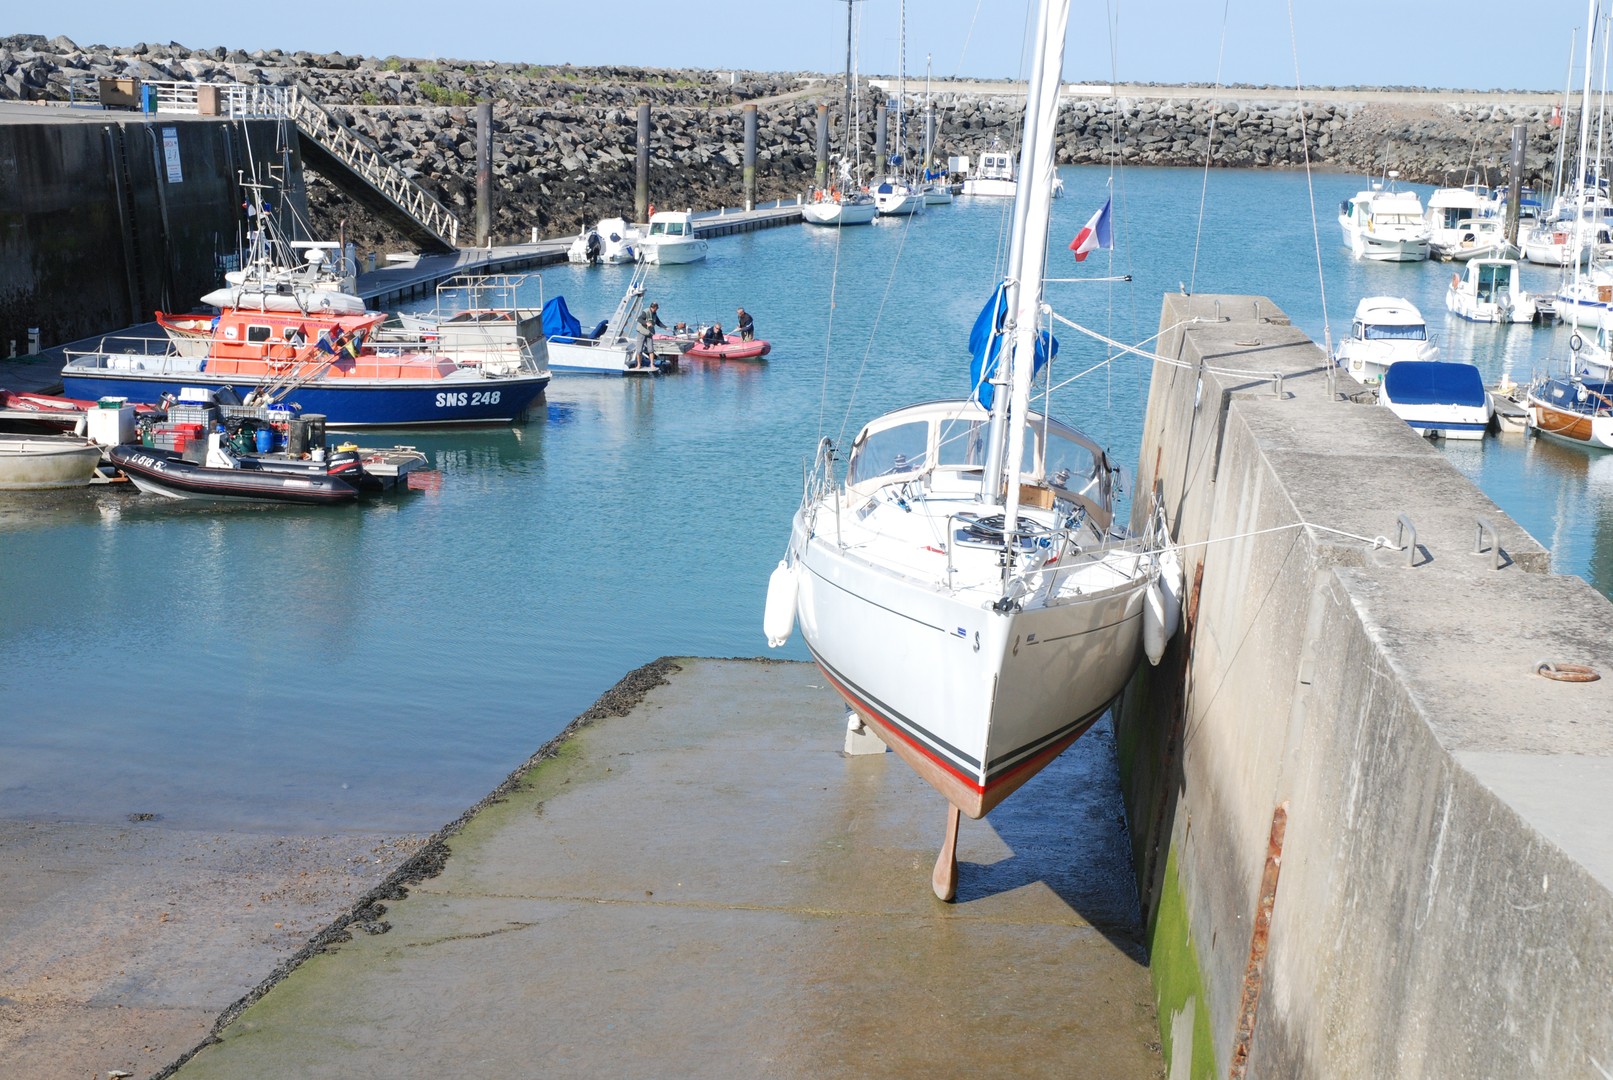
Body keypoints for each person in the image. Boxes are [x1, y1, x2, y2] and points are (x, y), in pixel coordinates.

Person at [635, 302, 666, 369]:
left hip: (649, 333)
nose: (656, 310)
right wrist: (646, 323)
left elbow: (658, 322)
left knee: (651, 349)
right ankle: (638, 365)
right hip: (642, 332)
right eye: (655, 308)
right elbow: (639, 319)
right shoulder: (645, 312)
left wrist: (665, 327)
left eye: (656, 308)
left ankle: (652, 364)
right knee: (639, 350)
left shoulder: (654, 313)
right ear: (652, 307)